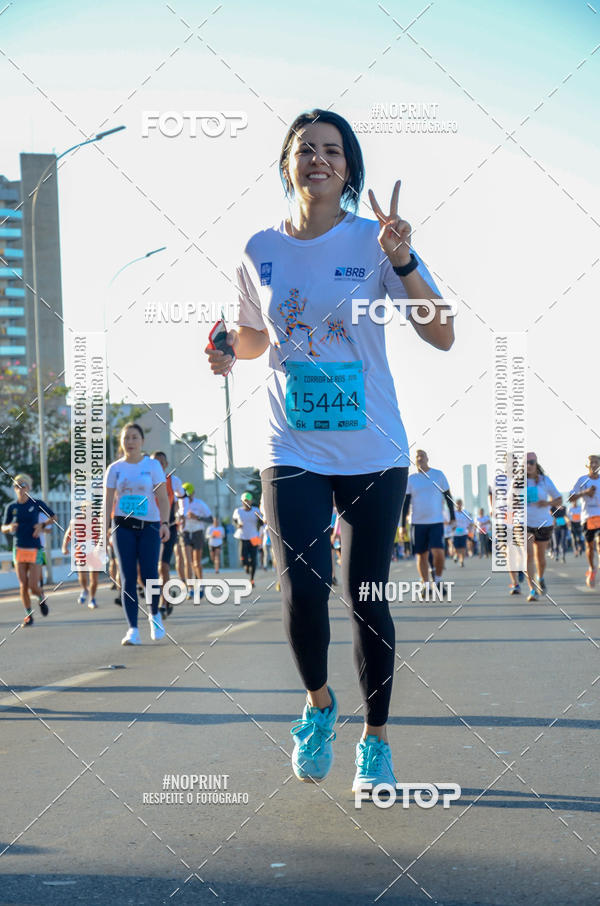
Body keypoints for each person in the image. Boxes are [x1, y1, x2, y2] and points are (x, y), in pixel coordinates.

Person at [205, 108, 453, 791]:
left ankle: (375, 742)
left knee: (366, 593)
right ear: (288, 163)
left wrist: (401, 257)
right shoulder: (258, 247)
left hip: (374, 446)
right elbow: (254, 338)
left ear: (350, 167)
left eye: (333, 150)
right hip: (293, 444)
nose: (319, 159)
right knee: (303, 591)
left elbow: (443, 333)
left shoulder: (375, 242)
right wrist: (229, 351)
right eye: (306, 149)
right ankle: (318, 705)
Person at [104, 423, 170, 645]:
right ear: (121, 443)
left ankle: (155, 614)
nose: (130, 442)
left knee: (150, 573)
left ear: (142, 441)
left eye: (134, 438)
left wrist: (165, 523)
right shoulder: (114, 469)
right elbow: (107, 502)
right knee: (127, 577)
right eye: (126, 438)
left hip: (149, 526)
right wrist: (104, 529)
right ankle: (132, 629)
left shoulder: (152, 466)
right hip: (122, 526)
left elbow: (162, 498)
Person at [1, 474, 55, 626]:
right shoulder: (11, 507)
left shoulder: (36, 503)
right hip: (18, 548)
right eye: (16, 486)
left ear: (29, 487)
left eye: (23, 485)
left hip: (35, 548)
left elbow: (54, 517)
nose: (20, 488)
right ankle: (28, 615)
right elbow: (3, 527)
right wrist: (9, 527)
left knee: (33, 585)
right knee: (23, 585)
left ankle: (40, 597)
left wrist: (42, 526)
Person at [402, 450, 455, 596]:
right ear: (415, 460)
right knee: (421, 555)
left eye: (422, 456)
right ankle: (426, 584)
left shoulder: (438, 475)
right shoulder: (411, 479)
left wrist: (453, 517)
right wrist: (402, 527)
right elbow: (405, 504)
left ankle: (437, 580)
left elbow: (448, 497)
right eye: (417, 457)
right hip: (417, 523)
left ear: (427, 458)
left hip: (436, 521)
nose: (420, 459)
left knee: (438, 552)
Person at [150, 451, 184, 617]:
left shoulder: (173, 480)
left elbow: (182, 495)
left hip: (168, 527)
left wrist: (179, 511)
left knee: (163, 566)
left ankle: (164, 602)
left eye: (161, 462)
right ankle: (165, 594)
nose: (158, 465)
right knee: (146, 570)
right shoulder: (144, 480)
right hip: (149, 528)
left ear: (166, 464)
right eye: (154, 462)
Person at [524, 452, 561, 602]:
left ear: (536, 463)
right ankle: (532, 589)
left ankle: (540, 577)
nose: (529, 465)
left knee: (541, 557)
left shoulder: (545, 481)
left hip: (543, 523)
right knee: (528, 555)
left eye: (531, 462)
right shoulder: (518, 482)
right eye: (526, 463)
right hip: (525, 523)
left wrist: (547, 504)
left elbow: (559, 499)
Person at [569, 454, 600, 587]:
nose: (593, 465)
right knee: (590, 546)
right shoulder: (582, 480)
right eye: (591, 462)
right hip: (587, 517)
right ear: (588, 465)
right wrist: (585, 492)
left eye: (596, 462)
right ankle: (592, 568)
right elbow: (571, 498)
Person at [178, 483, 212, 599]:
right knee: (187, 562)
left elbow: (210, 519)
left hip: (197, 532)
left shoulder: (200, 504)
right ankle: (190, 589)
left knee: (196, 563)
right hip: (185, 532)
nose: (188, 498)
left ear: (193, 493)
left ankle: (201, 585)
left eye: (189, 495)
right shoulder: (180, 504)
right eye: (185, 496)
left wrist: (197, 517)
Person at [61, 509, 101, 609]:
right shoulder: (75, 521)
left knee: (94, 579)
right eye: (85, 509)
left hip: (94, 552)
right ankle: (84, 589)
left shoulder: (97, 521)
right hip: (81, 551)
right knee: (82, 575)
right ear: (82, 510)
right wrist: (64, 547)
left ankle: (92, 599)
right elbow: (68, 535)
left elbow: (102, 536)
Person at [232, 492, 263, 585]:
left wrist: (260, 521)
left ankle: (252, 579)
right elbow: (234, 520)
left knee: (254, 559)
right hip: (243, 536)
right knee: (243, 559)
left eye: (248, 501)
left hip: (254, 536)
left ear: (251, 501)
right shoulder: (238, 511)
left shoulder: (256, 510)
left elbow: (261, 522)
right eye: (245, 501)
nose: (246, 502)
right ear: (242, 501)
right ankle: (246, 566)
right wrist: (238, 525)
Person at [452, 499, 472, 567]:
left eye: (460, 503)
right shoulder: (453, 513)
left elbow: (470, 522)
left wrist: (469, 528)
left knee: (463, 548)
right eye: (457, 504)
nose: (459, 505)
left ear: (462, 504)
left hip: (464, 533)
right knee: (456, 548)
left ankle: (461, 561)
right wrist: (452, 527)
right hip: (455, 533)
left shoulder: (465, 512)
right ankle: (456, 555)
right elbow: (450, 522)